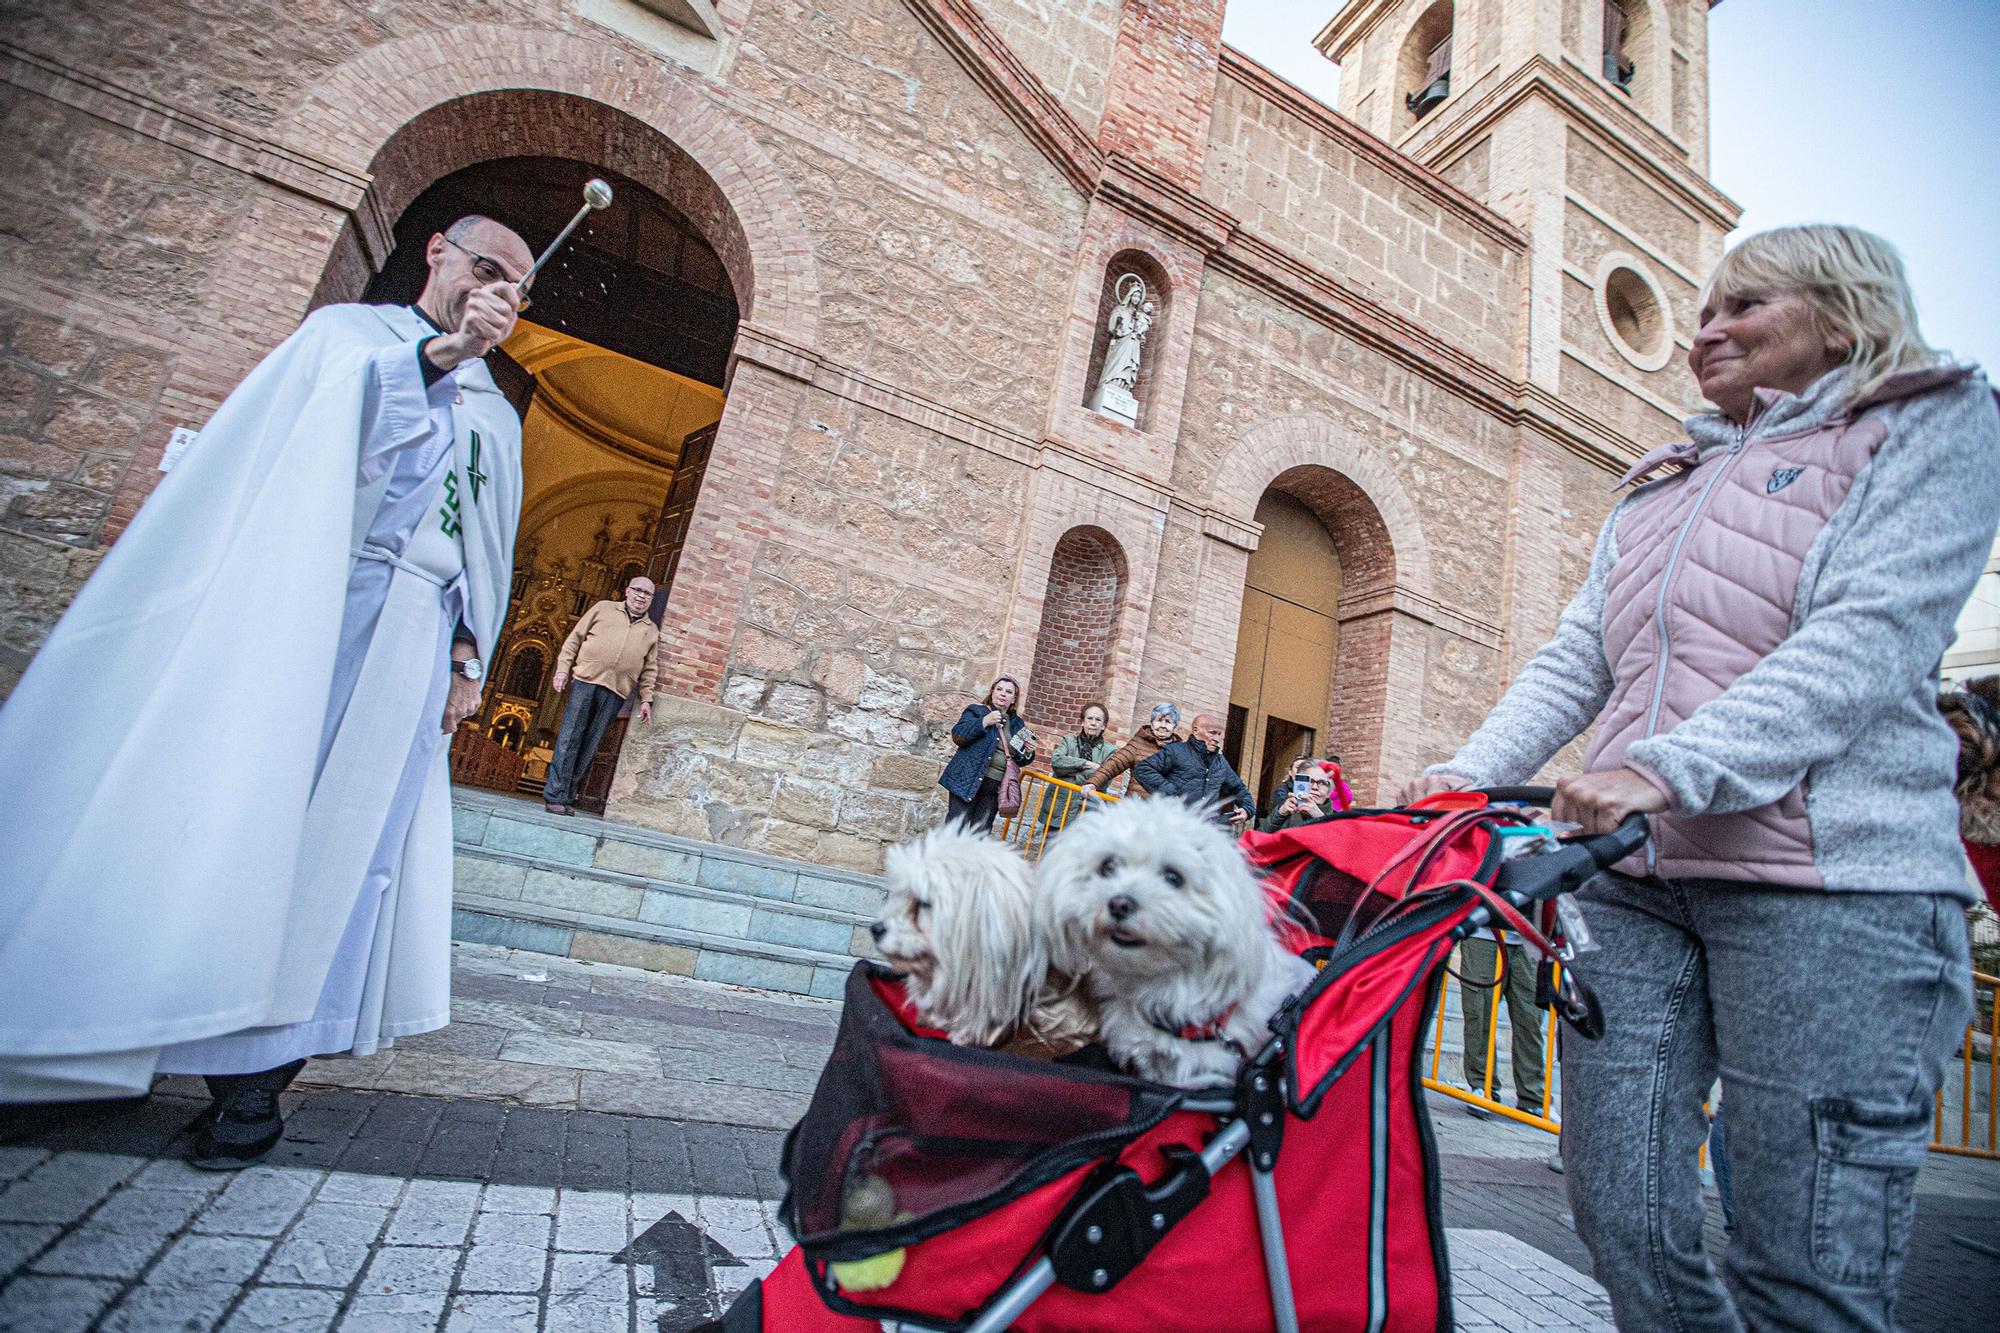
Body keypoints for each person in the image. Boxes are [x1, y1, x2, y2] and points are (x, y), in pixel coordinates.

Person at [1403, 224, 1998, 1331]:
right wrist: (1460, 776)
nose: (1703, 331)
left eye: (1741, 305)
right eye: (1700, 314)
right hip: (1632, 879)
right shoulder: (1665, 475)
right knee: (1619, 1209)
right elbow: (1580, 652)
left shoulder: (1930, 419)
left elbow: (1863, 638)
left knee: (1803, 1261)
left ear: (1840, 310)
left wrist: (1665, 769)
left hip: (1834, 888)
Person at [0, 215, 533, 1165]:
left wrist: (464, 659)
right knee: (201, 811)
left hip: (405, 641)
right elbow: (310, 465)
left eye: (517, 288)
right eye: (485, 267)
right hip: (292, 605)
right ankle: (91, 1050)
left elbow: (482, 551)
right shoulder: (343, 340)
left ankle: (253, 1081)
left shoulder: (496, 412)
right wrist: (439, 359)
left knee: (336, 858)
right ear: (438, 255)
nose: (496, 291)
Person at [542, 576, 662, 814]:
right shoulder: (603, 608)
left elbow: (650, 668)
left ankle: (568, 795)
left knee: (591, 742)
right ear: (627, 591)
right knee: (570, 736)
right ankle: (555, 795)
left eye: (647, 594)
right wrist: (562, 670)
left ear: (651, 599)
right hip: (585, 681)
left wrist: (646, 699)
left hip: (616, 691)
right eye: (637, 590)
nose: (641, 596)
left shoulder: (651, 630)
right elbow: (574, 640)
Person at [1455, 927, 1546, 1114]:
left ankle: (1533, 1097)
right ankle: (1482, 1086)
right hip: (1485, 931)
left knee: (1530, 1019)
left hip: (1530, 935)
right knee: (1479, 1014)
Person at [939, 676, 1038, 832]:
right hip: (967, 779)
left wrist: (1028, 752)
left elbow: (1018, 760)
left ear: (1013, 699)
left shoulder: (1017, 724)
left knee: (981, 833)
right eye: (999, 689)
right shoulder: (976, 711)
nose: (1003, 694)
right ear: (992, 692)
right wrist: (984, 721)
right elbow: (958, 736)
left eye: (1008, 692)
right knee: (955, 829)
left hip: (994, 788)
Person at [1135, 713, 1255, 829]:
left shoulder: (1220, 762)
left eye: (1219, 734)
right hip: (1170, 826)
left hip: (1203, 831)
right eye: (1212, 733)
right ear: (1196, 730)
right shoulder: (1176, 751)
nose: (1217, 739)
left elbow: (1238, 789)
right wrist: (1171, 795)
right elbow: (1143, 769)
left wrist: (1247, 809)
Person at [1039, 701, 1116, 831]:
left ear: (1103, 726)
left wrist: (1070, 771)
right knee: (1049, 848)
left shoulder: (1110, 751)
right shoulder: (1068, 741)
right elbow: (1057, 762)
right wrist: (1087, 764)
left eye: (1098, 720)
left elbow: (1104, 779)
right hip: (1058, 807)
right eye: (1089, 718)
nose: (1093, 723)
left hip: (1086, 814)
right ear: (1082, 722)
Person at [1083, 702, 1181, 799]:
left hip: (1162, 811)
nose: (1163, 725)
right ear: (1152, 723)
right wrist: (1093, 783)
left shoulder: (1179, 751)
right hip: (1133, 808)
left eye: (1168, 722)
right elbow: (1114, 763)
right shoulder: (1138, 743)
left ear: (1174, 727)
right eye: (1159, 720)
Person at [1256, 762, 1340, 833]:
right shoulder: (1287, 812)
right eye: (1309, 781)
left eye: (1322, 783)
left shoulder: (1340, 820)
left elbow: (1341, 847)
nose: (1314, 787)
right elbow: (1258, 841)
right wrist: (1279, 815)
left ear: (1330, 792)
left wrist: (1320, 818)